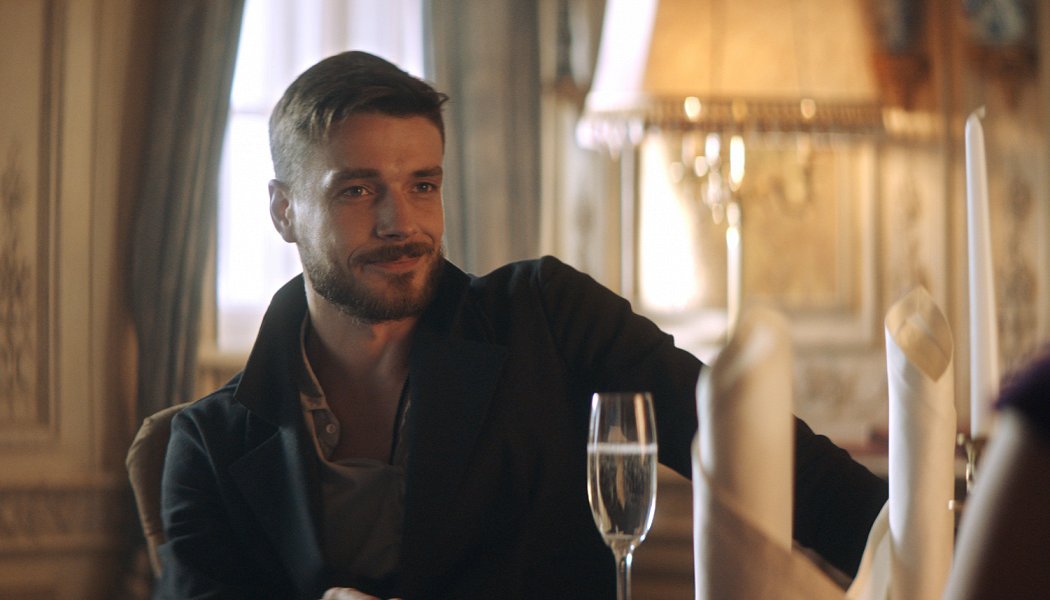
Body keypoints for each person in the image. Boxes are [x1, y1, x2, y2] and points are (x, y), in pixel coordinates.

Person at [157, 51, 887, 600]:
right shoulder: (210, 446)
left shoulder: (548, 318)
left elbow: (766, 456)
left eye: (422, 185)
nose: (400, 222)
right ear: (283, 211)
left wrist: (928, 550)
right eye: (356, 190)